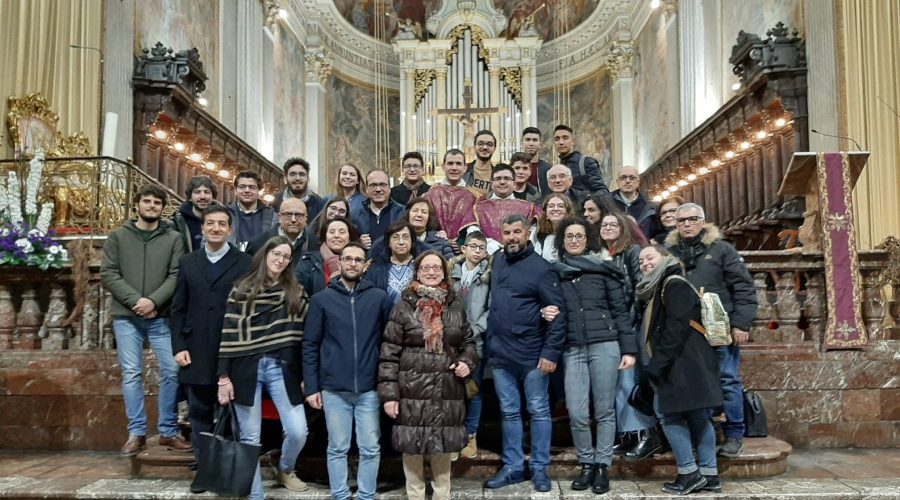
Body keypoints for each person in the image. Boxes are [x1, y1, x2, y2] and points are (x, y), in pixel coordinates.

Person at [217, 235, 310, 499]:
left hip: (283, 367)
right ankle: (256, 495)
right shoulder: (242, 289)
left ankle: (285, 468)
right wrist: (223, 377)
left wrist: (307, 375)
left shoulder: (295, 291)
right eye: (276, 254)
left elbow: (306, 334)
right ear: (265, 254)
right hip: (246, 368)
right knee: (250, 438)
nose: (280, 260)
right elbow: (228, 333)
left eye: (285, 256)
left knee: (297, 430)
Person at [379, 251, 478, 500]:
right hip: (412, 390)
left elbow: (468, 343)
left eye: (436, 268)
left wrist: (467, 361)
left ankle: (442, 496)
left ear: (444, 272)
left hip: (446, 389)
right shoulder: (403, 307)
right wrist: (389, 395)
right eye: (426, 268)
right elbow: (389, 354)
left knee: (442, 449)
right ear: (417, 272)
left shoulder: (455, 306)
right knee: (411, 448)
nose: (431, 272)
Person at [100, 184, 189, 456]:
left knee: (172, 371)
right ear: (137, 205)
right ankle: (136, 432)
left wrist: (153, 301)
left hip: (160, 316)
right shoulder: (118, 236)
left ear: (163, 208)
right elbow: (109, 273)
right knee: (132, 374)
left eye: (157, 203)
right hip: (127, 317)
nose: (152, 206)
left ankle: (167, 431)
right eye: (147, 201)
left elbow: (176, 274)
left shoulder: (173, 238)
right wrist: (136, 302)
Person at [665, 203, 757, 458]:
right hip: (685, 331)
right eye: (681, 220)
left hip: (720, 326)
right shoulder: (669, 252)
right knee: (695, 383)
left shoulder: (721, 250)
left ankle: (734, 434)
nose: (686, 224)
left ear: (703, 222)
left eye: (692, 219)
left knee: (727, 379)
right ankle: (703, 434)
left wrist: (741, 323)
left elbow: (744, 288)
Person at [303, 243, 394, 500]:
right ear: (339, 262)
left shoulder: (379, 298)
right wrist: (312, 386)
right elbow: (310, 344)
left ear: (365, 265)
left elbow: (390, 341)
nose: (352, 264)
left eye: (358, 260)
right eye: (348, 259)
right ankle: (340, 495)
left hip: (368, 388)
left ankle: (366, 495)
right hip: (333, 389)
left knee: (370, 448)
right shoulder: (321, 300)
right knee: (337, 447)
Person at [169, 205, 252, 489]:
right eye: (210, 224)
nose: (216, 228)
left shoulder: (245, 262)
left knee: (229, 415)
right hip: (196, 350)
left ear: (230, 230)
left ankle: (226, 472)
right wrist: (178, 345)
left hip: (232, 350)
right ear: (203, 228)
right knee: (199, 413)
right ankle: (204, 471)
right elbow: (178, 308)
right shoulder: (188, 262)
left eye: (222, 224)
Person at [553, 217, 635, 494]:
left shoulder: (603, 270)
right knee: (576, 411)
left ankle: (602, 465)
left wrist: (629, 349)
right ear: (562, 241)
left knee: (604, 410)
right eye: (569, 236)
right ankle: (586, 463)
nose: (574, 240)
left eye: (579, 236)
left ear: (587, 240)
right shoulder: (555, 273)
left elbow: (620, 312)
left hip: (605, 344)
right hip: (572, 347)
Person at [484, 214, 565, 493]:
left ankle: (540, 468)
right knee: (508, 412)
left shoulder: (542, 268)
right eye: (506, 232)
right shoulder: (497, 261)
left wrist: (551, 353)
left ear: (528, 233)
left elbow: (557, 314)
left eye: (517, 232)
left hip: (532, 354)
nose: (511, 237)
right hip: (501, 353)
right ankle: (513, 467)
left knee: (539, 411)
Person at [636, 244, 723, 495]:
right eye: (641, 261)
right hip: (689, 362)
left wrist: (657, 365)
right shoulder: (666, 284)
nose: (645, 264)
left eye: (650, 257)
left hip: (681, 363)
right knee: (697, 416)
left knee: (668, 414)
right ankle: (709, 475)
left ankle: (689, 472)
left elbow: (676, 328)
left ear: (665, 258)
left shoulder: (673, 284)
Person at [597, 210, 662, 460]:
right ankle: (629, 435)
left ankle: (647, 435)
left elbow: (639, 289)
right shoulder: (605, 255)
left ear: (624, 228)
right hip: (613, 326)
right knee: (619, 385)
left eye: (614, 224)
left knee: (629, 382)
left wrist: (630, 324)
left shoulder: (633, 252)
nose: (609, 227)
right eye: (604, 225)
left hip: (629, 325)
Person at [449, 231, 491, 459]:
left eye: (481, 247)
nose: (476, 251)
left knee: (473, 390)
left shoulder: (489, 275)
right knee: (453, 391)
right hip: (452, 343)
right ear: (463, 249)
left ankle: (470, 434)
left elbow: (490, 309)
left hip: (475, 341)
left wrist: (475, 330)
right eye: (472, 246)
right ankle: (454, 435)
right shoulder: (451, 273)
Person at [472, 163, 542, 254]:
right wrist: (492, 246)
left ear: (514, 184)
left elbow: (534, 233)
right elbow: (473, 232)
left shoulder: (530, 208)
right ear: (492, 184)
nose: (502, 182)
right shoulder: (478, 208)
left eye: (507, 178)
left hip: (520, 256)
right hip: (487, 256)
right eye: (498, 179)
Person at [370, 197, 454, 263]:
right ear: (408, 214)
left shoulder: (441, 242)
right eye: (415, 211)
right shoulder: (390, 239)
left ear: (429, 217)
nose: (419, 215)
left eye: (424, 212)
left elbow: (451, 268)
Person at [426, 149, 482, 244]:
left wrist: (461, 244)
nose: (454, 168)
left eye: (458, 164)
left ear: (465, 168)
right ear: (443, 167)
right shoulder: (431, 194)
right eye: (450, 163)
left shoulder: (475, 197)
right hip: (436, 248)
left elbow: (477, 231)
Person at [295, 216, 360, 297]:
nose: (336, 235)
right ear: (325, 237)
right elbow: (297, 294)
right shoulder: (309, 261)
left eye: (342, 232)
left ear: (349, 238)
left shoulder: (358, 261)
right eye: (332, 232)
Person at [363, 221, 417, 303]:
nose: (401, 242)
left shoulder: (421, 266)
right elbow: (368, 298)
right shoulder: (375, 268)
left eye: (405, 237)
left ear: (412, 241)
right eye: (395, 237)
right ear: (388, 243)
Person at [245, 198, 312, 263]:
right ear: (279, 217)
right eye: (288, 215)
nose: (293, 220)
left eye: (298, 215)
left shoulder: (316, 244)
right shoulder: (259, 243)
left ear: (306, 218)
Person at [352, 169, 405, 249]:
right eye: (373, 185)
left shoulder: (403, 213)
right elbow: (348, 242)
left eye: (382, 185)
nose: (378, 189)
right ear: (366, 189)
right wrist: (358, 244)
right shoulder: (355, 215)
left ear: (389, 188)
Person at [553, 124, 610, 197]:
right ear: (554, 143)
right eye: (557, 139)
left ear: (573, 141)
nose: (561, 142)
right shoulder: (555, 168)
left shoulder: (586, 163)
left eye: (565, 138)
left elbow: (601, 191)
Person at [227, 170, 275, 251]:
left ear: (259, 191)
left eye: (252, 187)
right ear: (235, 190)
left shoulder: (273, 216)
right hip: (231, 261)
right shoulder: (224, 213)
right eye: (242, 187)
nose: (247, 190)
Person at [610, 166, 659, 239]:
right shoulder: (607, 202)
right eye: (623, 178)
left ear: (638, 182)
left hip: (643, 248)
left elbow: (657, 231)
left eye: (632, 178)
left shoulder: (650, 206)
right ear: (617, 182)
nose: (627, 181)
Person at [272, 157, 325, 223]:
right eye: (293, 174)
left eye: (302, 174)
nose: (297, 178)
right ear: (285, 179)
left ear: (308, 179)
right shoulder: (275, 202)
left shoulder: (320, 205)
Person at [174, 175, 217, 253]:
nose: (202, 196)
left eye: (207, 192)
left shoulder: (223, 220)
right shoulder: (178, 223)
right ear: (190, 197)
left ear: (213, 196)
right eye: (197, 192)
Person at [533, 193, 576, 262]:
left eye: (561, 206)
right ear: (545, 212)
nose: (555, 209)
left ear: (567, 212)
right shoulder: (539, 234)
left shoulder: (575, 233)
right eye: (551, 206)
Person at [464, 129, 497, 196]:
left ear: (494, 148)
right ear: (474, 147)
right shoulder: (463, 171)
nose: (485, 147)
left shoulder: (498, 175)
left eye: (489, 144)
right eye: (480, 144)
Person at [522, 127, 551, 194]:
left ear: (540, 144)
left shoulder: (547, 169)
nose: (531, 143)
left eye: (535, 140)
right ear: (522, 143)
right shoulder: (514, 168)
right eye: (527, 140)